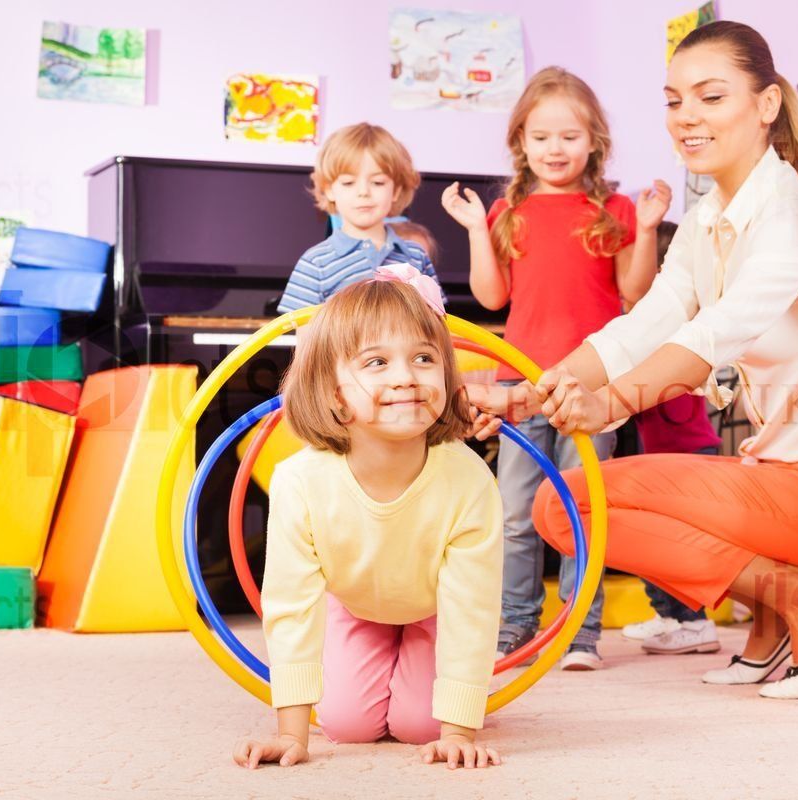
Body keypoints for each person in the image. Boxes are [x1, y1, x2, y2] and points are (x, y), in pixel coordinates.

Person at [469, 20, 798, 700]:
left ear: (765, 106)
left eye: (710, 97)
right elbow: (643, 323)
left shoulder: (792, 214)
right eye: (674, 101)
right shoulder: (707, 220)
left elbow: (716, 335)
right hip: (782, 482)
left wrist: (609, 403)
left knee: (567, 507)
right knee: (560, 509)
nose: (686, 118)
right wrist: (529, 393)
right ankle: (772, 617)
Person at [234, 273, 503, 770]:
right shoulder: (301, 481)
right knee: (346, 725)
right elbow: (291, 603)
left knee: (421, 727)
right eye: (376, 362)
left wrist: (459, 730)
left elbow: (473, 606)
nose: (406, 377)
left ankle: (427, 672)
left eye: (424, 358)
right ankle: (374, 651)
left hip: (433, 608)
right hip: (357, 603)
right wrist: (292, 733)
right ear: (334, 393)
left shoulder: (468, 478)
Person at [441, 66, 660, 670]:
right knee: (513, 513)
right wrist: (474, 231)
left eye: (569, 136)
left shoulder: (611, 208)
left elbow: (634, 292)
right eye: (541, 138)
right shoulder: (508, 211)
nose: (555, 149)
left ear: (594, 141)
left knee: (580, 508)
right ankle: (515, 626)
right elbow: (490, 298)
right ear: (521, 143)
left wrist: (644, 232)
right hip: (518, 386)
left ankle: (579, 633)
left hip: (591, 387)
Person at [620, 220, 727, 657]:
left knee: (672, 545)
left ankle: (694, 623)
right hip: (667, 454)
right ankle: (670, 616)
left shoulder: (680, 331)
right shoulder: (651, 328)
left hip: (688, 455)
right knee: (651, 542)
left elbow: (670, 397)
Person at [277, 123, 441, 314]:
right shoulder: (315, 262)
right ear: (329, 190)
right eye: (348, 183)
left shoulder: (417, 255)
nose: (363, 192)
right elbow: (306, 342)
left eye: (378, 182)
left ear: (396, 190)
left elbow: (437, 325)